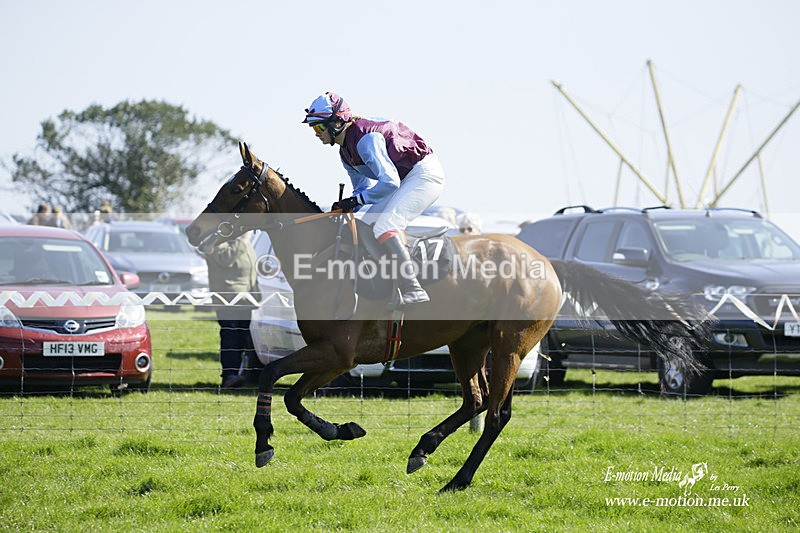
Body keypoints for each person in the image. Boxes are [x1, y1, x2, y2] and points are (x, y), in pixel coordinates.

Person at [303, 92, 446, 309]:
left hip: (423, 175)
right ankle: (390, 284)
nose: (316, 134)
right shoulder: (345, 153)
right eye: (314, 129)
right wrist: (348, 204)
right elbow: (362, 189)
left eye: (319, 127)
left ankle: (413, 287)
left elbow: (389, 183)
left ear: (337, 123)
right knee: (365, 227)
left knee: (385, 226)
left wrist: (356, 200)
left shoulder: (365, 139)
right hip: (403, 179)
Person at [204, 233, 261, 389]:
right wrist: (243, 239)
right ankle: (229, 376)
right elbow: (225, 258)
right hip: (228, 300)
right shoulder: (215, 240)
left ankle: (239, 374)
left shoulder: (240, 242)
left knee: (242, 338)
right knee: (231, 337)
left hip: (245, 300)